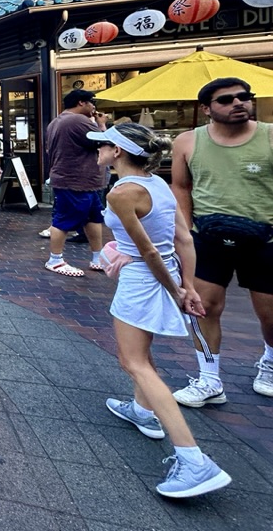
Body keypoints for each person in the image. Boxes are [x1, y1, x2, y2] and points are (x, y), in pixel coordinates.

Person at [87, 122, 231, 498]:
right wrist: (187, 284)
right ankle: (141, 410)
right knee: (142, 355)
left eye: (102, 145)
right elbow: (183, 239)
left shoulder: (122, 192)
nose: (97, 150)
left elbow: (149, 251)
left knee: (133, 362)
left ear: (117, 151)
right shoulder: (158, 185)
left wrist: (179, 290)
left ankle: (194, 460)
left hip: (144, 280)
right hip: (162, 273)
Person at [170, 77, 273, 407]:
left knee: (270, 314)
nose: (238, 103)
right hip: (208, 239)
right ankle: (209, 379)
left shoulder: (270, 136)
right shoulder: (187, 141)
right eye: (226, 99)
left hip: (265, 239)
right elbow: (181, 187)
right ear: (206, 109)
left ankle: (270, 363)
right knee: (204, 308)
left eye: (244, 97)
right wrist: (186, 232)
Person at [43, 90, 109, 277]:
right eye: (91, 102)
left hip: (79, 180)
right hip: (75, 180)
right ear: (81, 103)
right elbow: (106, 142)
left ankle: (98, 257)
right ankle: (55, 260)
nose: (94, 106)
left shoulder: (57, 121)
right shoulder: (78, 120)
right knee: (64, 220)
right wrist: (101, 124)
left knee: (93, 218)